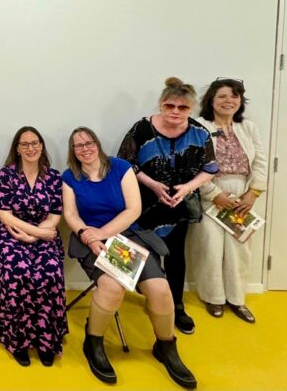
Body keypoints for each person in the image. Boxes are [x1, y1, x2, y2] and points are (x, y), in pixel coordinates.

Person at [62, 127, 197, 388]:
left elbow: (133, 209)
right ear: (73, 151)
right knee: (112, 288)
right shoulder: (70, 176)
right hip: (93, 243)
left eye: (89, 142)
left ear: (98, 144)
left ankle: (166, 345)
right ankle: (93, 342)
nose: (85, 148)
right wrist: (88, 235)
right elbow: (71, 214)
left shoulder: (120, 167)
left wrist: (103, 233)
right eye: (78, 146)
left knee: (160, 288)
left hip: (125, 238)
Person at [118, 76, 217, 335]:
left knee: (175, 256)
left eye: (182, 108)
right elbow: (125, 163)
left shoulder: (199, 132)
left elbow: (210, 167)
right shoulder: (141, 129)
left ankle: (177, 306)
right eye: (170, 106)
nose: (175, 112)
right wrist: (153, 185)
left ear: (191, 109)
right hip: (144, 202)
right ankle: (145, 297)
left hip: (180, 204)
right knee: (142, 252)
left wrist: (187, 188)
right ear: (161, 105)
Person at [0, 127, 67, 367]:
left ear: (41, 146)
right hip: (11, 234)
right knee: (16, 273)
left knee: (50, 273)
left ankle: (46, 340)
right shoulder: (7, 174)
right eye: (25, 144)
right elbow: (4, 213)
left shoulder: (53, 176)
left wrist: (39, 234)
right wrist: (35, 233)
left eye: (35, 143)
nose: (30, 148)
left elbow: (55, 213)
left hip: (43, 233)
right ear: (18, 149)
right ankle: (17, 340)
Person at [192, 78, 268, 323]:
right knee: (210, 248)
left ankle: (237, 298)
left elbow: (260, 163)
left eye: (234, 96)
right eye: (222, 96)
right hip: (211, 193)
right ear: (211, 100)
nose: (228, 101)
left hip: (242, 194)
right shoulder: (199, 126)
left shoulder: (248, 128)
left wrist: (253, 194)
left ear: (240, 101)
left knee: (240, 250)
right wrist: (214, 194)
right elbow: (192, 165)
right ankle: (213, 297)